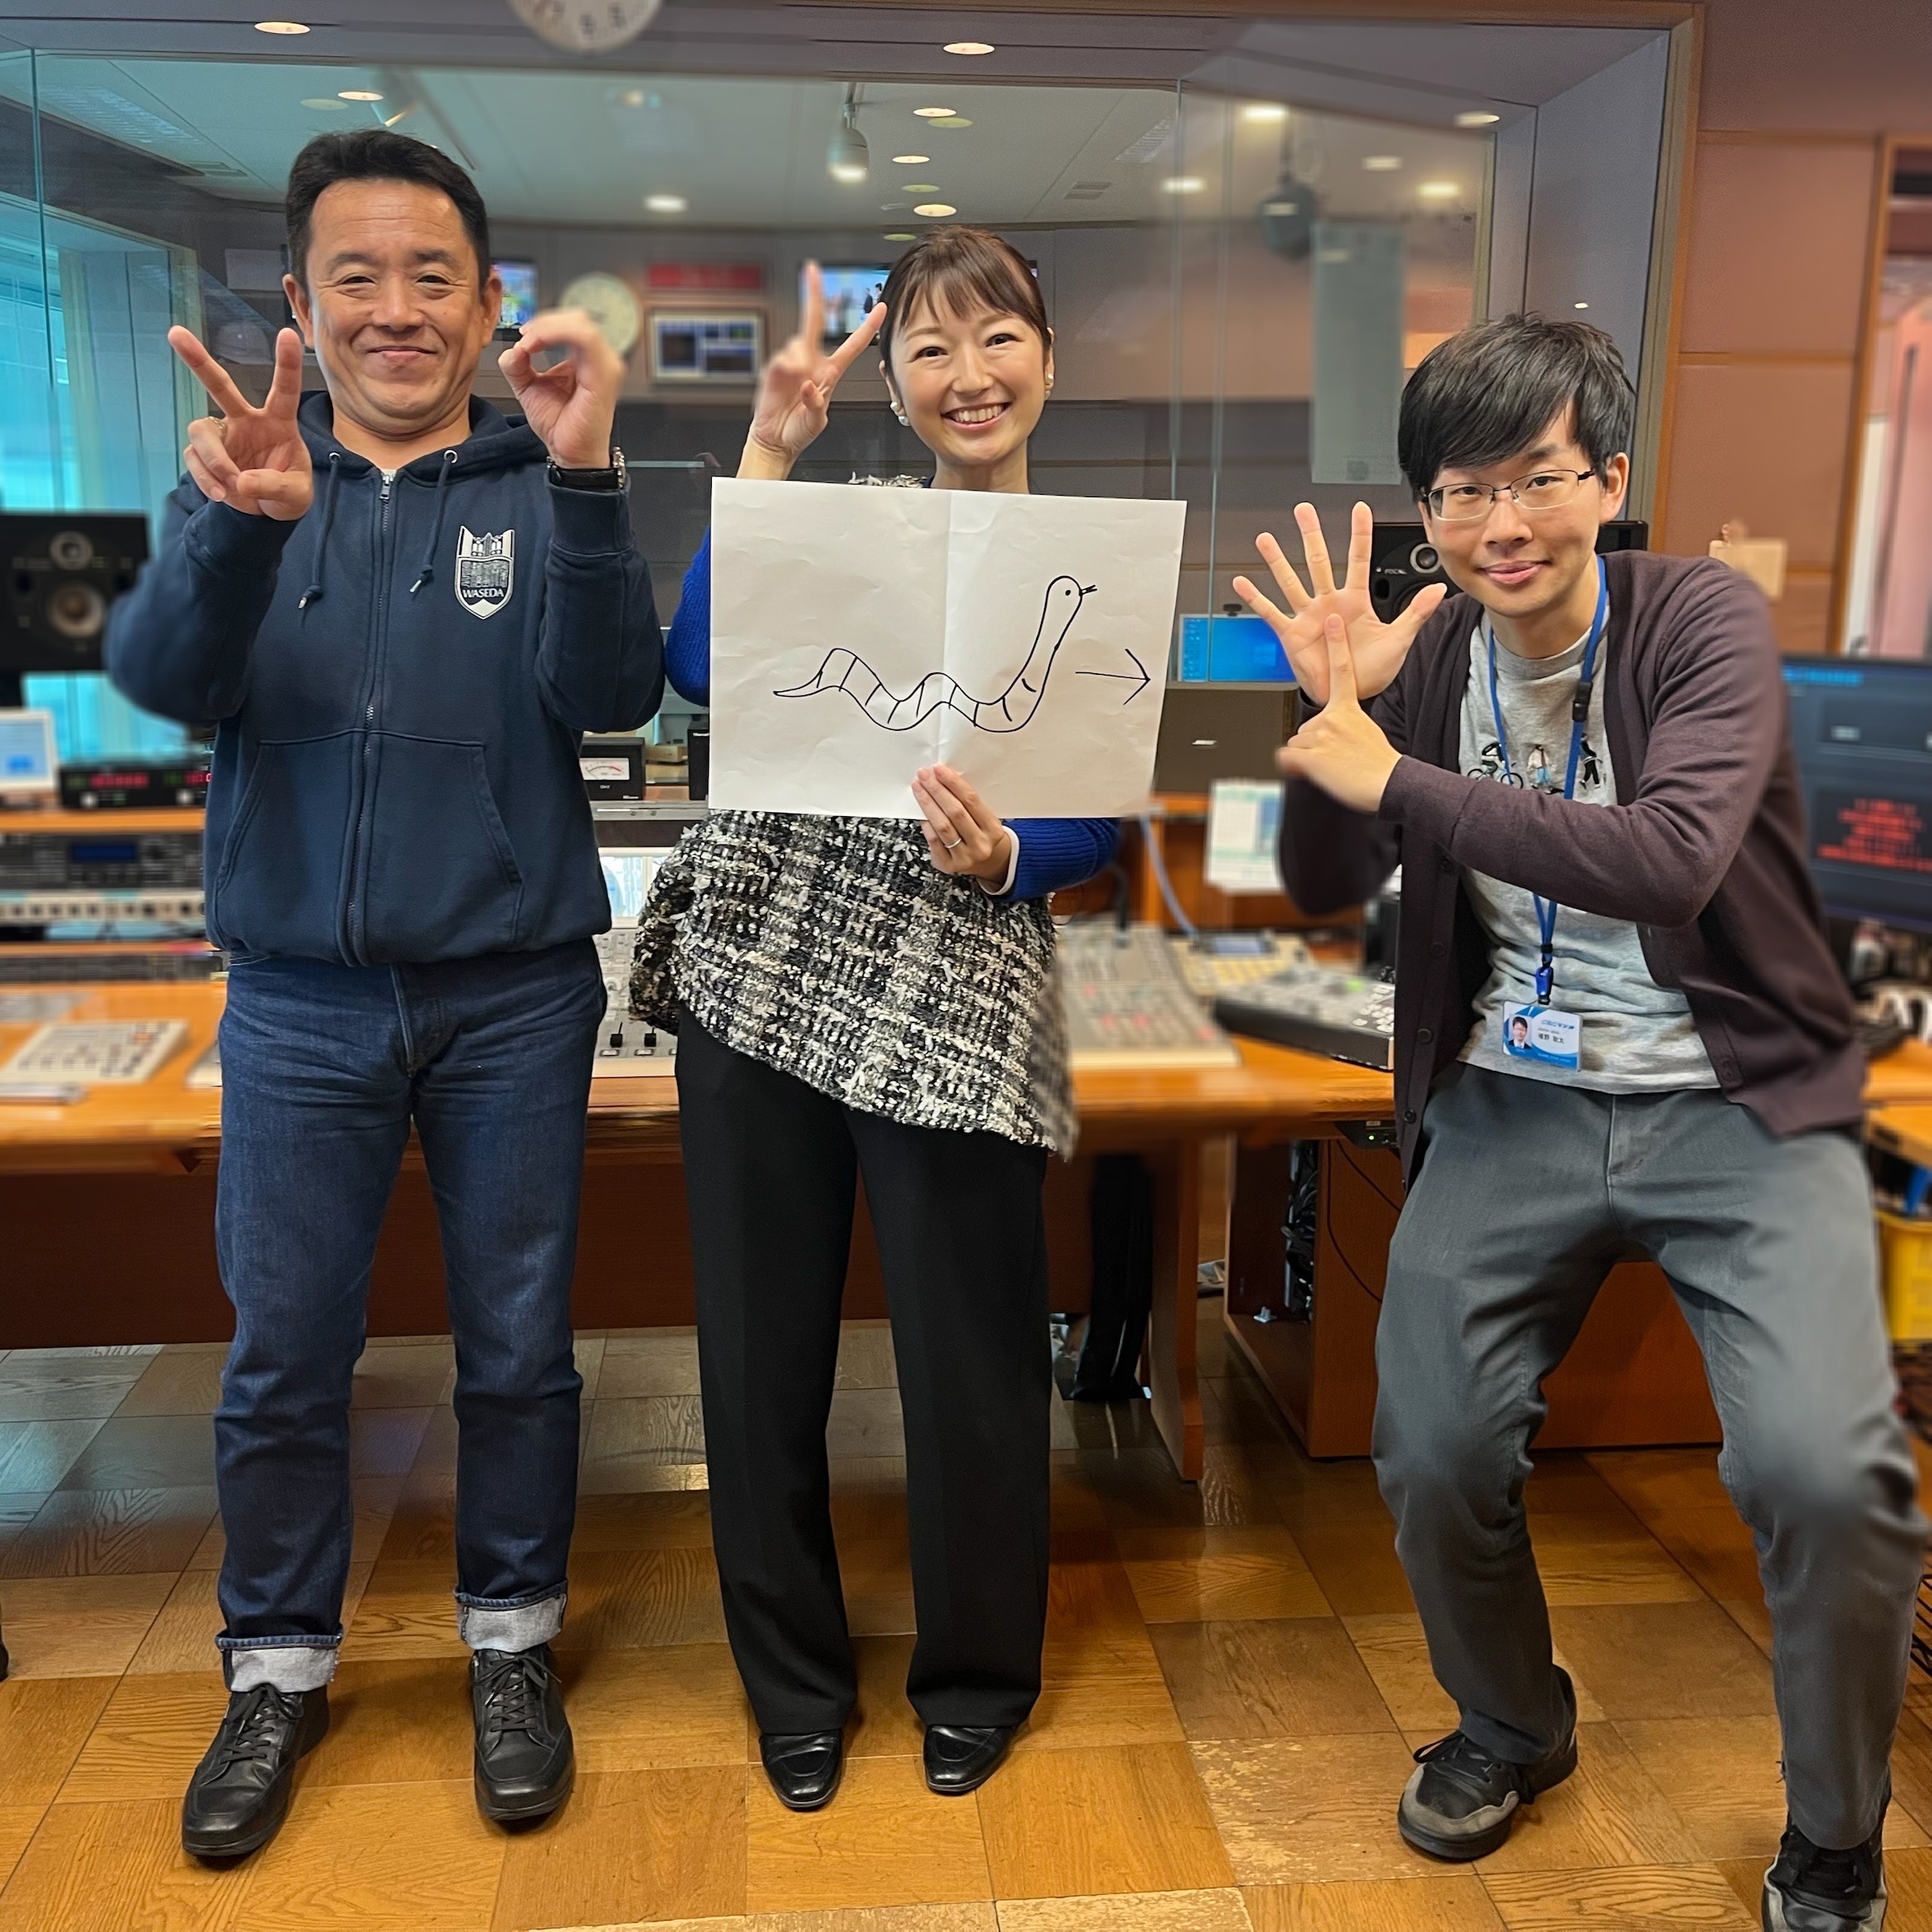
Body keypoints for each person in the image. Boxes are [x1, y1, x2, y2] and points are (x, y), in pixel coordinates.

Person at [1245, 314, 1926, 1932]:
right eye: (1462, 491)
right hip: (1514, 1101)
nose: (1501, 523)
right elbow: (1322, 883)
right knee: (1431, 1448)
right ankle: (1510, 1725)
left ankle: (1835, 1830)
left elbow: (1673, 859)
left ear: (1609, 479)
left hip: (1738, 1103)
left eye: (1538, 479)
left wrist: (1395, 778)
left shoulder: (1701, 618)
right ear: (1430, 511)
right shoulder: (1431, 662)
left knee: (1827, 1473)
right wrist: (1331, 718)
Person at [107, 128, 663, 1859]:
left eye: (435, 277)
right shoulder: (245, 469)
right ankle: (275, 1668)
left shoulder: (541, 481)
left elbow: (617, 698)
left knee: (519, 1349)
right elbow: (160, 681)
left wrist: (588, 480)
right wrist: (235, 529)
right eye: (359, 276)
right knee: (285, 1354)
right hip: (297, 1000)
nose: (398, 309)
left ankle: (512, 1646)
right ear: (302, 301)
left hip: (515, 994)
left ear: (489, 305)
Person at [631, 231, 1117, 1810]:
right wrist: (771, 452)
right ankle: (791, 1683)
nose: (968, 374)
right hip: (764, 962)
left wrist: (1015, 852)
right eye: (930, 348)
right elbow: (698, 666)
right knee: (757, 1348)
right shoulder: (845, 526)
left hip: (960, 991)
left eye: (998, 337)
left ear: (1049, 358)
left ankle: (977, 1675)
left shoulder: (1098, 564)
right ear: (895, 387)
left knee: (974, 1355)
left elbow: (1099, 818)